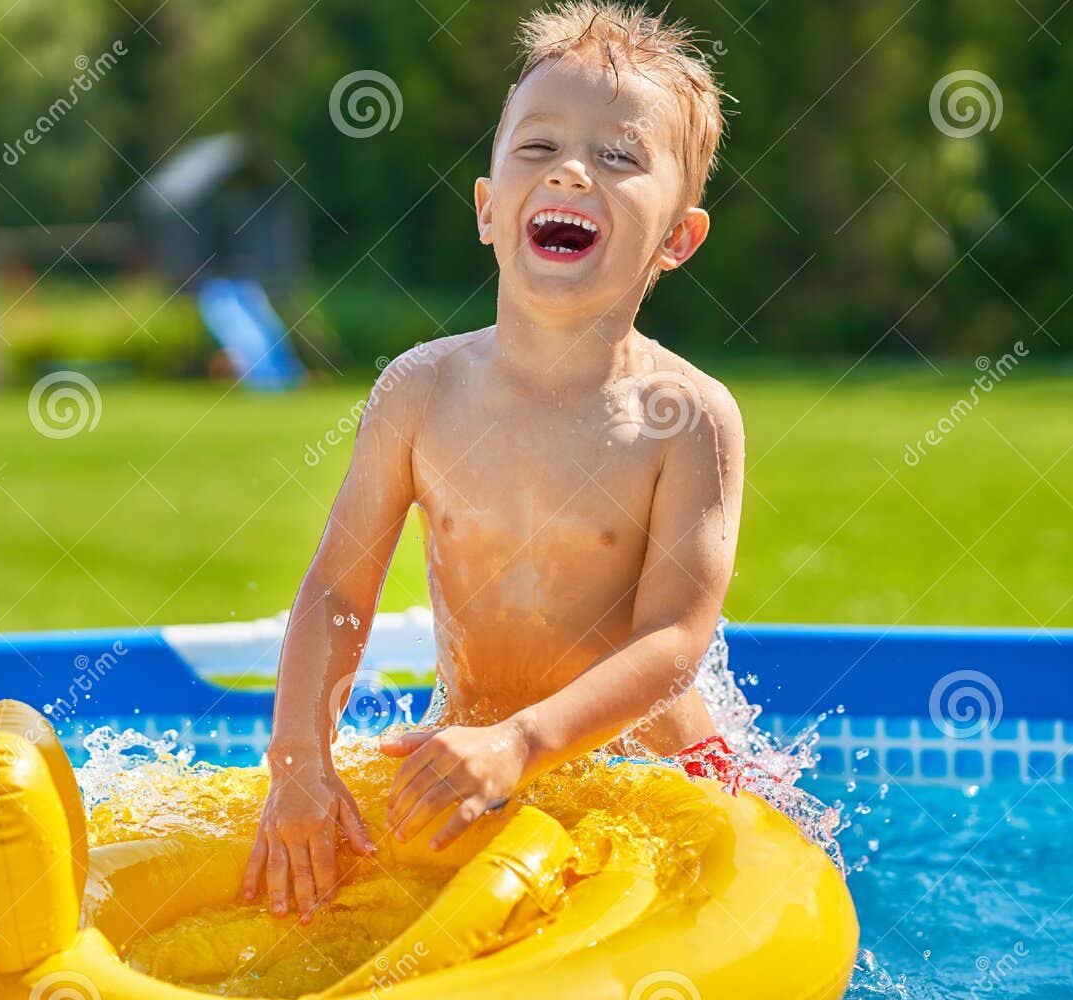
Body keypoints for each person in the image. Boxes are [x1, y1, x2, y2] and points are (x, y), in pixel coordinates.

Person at [244, 2, 743, 920]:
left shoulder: (687, 419)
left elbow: (674, 642)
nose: (572, 169)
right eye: (538, 146)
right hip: (476, 744)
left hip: (646, 773)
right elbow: (339, 594)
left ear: (677, 237)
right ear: (487, 209)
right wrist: (302, 765)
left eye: (621, 157)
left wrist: (526, 742)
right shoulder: (421, 392)